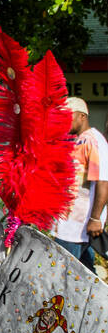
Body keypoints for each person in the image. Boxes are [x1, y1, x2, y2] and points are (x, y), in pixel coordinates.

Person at [51, 97, 108, 273]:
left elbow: (103, 181)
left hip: (78, 226)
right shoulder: (79, 141)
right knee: (83, 272)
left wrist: (95, 219)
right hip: (69, 224)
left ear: (82, 116)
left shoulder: (93, 141)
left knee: (64, 273)